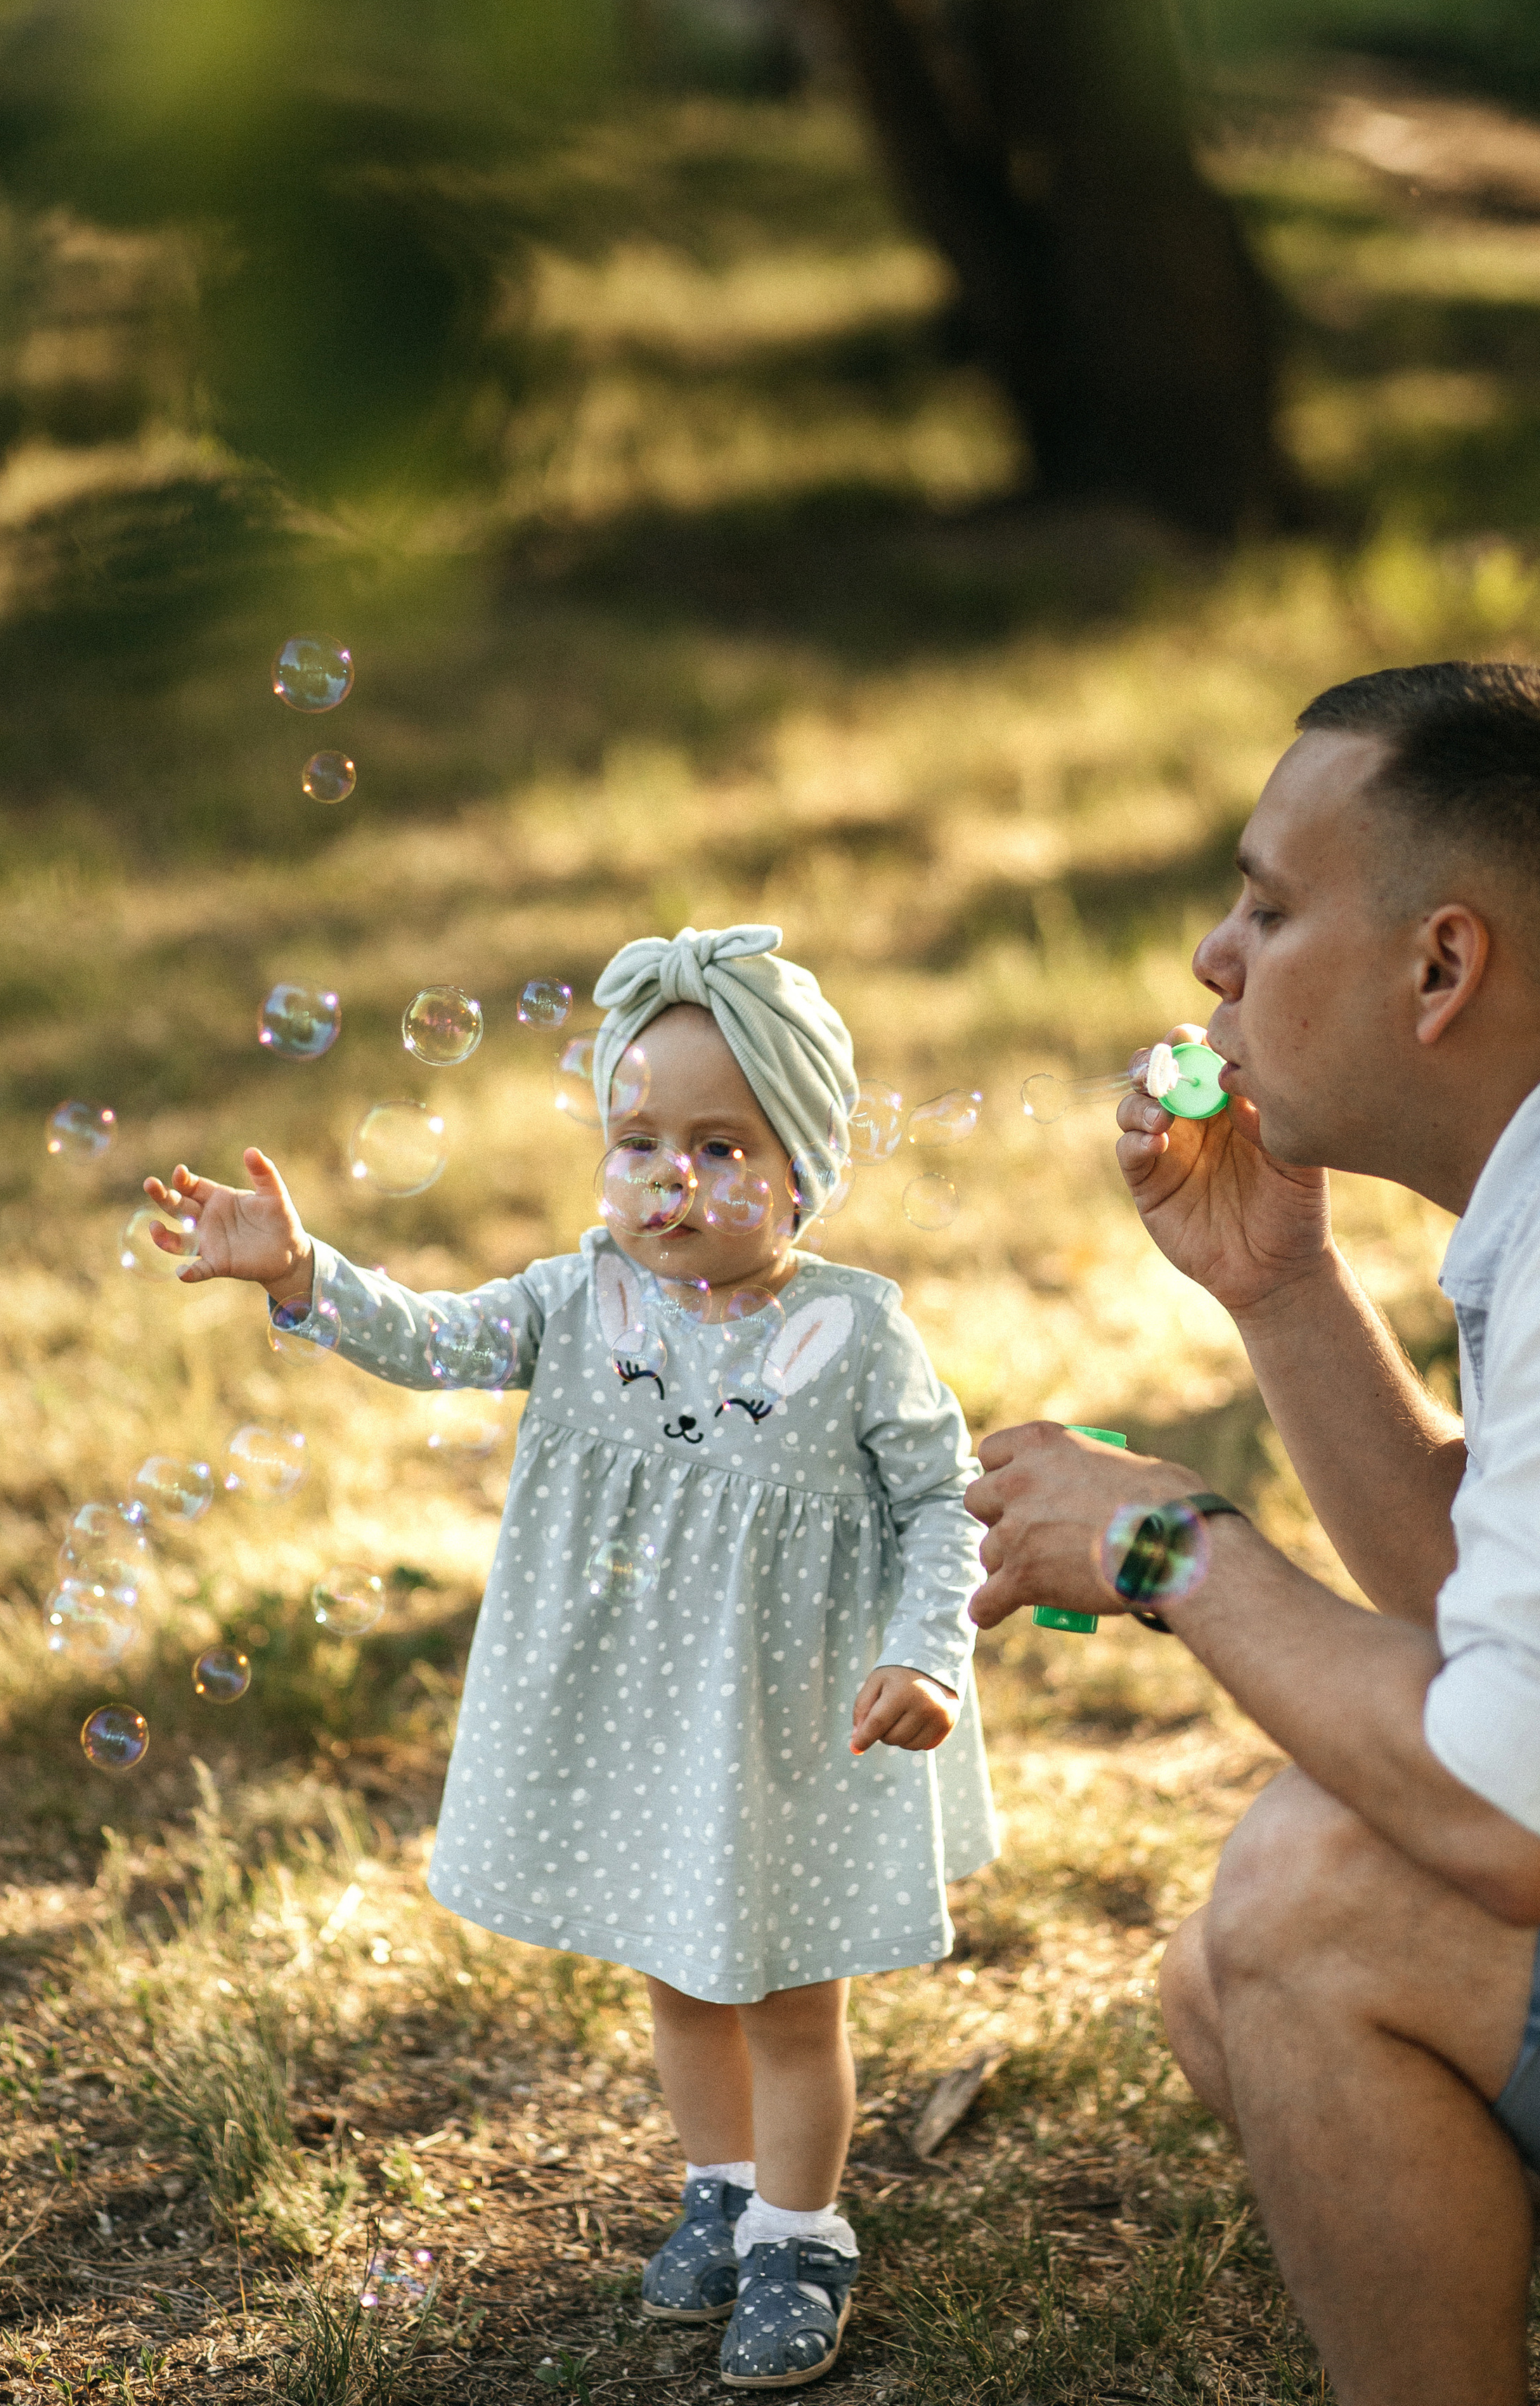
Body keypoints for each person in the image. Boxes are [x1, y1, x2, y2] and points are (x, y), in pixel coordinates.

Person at [141, 922, 996, 2393]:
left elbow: (942, 1507)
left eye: (722, 1144)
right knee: (676, 1974)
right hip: (640, 1716)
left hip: (797, 1726)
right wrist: (299, 1272)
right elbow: (426, 1337)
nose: (674, 1178)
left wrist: (924, 1658)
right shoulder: (571, 1298)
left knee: (788, 1995)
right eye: (639, 1139)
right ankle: (719, 2187)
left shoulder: (858, 1335)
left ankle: (802, 2229)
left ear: (802, 1161)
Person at [965, 661, 1540, 2406]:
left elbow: (1516, 1820)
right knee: (1225, 1987)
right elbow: (1501, 1616)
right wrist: (1275, 1285)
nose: (1214, 958)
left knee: (1318, 1897)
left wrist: (1170, 1549)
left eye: (1269, 907)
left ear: (1440, 966)